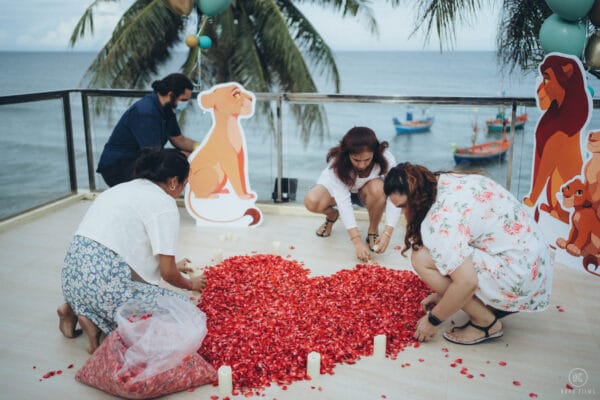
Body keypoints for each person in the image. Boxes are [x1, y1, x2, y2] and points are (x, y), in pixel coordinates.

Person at [383, 162, 553, 345]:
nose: (403, 214)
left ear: (416, 200)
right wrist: (444, 296)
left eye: (403, 207)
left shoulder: (439, 221)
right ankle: (492, 305)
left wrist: (433, 319)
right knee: (446, 256)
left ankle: (486, 323)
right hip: (533, 263)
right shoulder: (448, 180)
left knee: (420, 258)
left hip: (518, 275)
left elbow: (467, 282)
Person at [57, 148, 206, 354]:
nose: (182, 189)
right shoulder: (164, 204)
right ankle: (95, 322)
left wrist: (170, 263)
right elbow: (168, 274)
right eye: (184, 184)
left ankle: (74, 309)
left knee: (108, 288)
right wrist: (191, 284)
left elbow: (123, 247)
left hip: (72, 279)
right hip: (102, 287)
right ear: (173, 181)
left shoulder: (120, 189)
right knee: (183, 311)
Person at [304, 126, 402, 262]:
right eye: (356, 160)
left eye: (367, 160)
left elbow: (395, 193)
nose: (361, 165)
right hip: (336, 193)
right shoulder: (337, 163)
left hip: (367, 191)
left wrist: (387, 233)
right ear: (347, 154)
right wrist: (357, 242)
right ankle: (332, 215)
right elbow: (343, 202)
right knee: (312, 201)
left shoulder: (386, 158)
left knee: (379, 188)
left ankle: (373, 231)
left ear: (375, 152)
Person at [96, 73, 200, 187]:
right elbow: (153, 154)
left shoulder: (167, 108)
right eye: (183, 100)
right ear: (171, 94)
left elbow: (179, 140)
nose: (185, 104)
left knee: (182, 158)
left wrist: (203, 148)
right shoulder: (146, 112)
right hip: (119, 167)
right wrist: (183, 156)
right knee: (175, 163)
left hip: (141, 159)